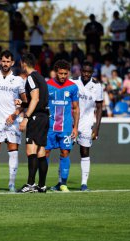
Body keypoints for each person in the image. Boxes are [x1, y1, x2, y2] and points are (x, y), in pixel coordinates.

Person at [0, 50, 26, 192]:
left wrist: (15, 114)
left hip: (12, 122)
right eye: (3, 61)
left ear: (12, 63)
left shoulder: (18, 80)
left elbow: (25, 102)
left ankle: (11, 184)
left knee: (13, 153)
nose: (5, 64)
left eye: (8, 61)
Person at [17, 53, 49, 193]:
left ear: (24, 63)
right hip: (44, 116)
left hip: (35, 117)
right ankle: (41, 185)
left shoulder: (30, 78)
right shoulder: (40, 77)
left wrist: (26, 117)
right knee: (41, 151)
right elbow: (37, 99)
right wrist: (24, 103)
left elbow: (35, 99)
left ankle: (30, 184)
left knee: (31, 150)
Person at [47, 60, 80, 192]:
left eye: (65, 73)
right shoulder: (47, 85)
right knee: (45, 153)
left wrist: (75, 127)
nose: (63, 76)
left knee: (65, 152)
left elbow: (76, 108)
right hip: (50, 126)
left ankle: (63, 183)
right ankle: (42, 182)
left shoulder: (73, 87)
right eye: (60, 73)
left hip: (65, 127)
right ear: (56, 72)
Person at [70, 61, 103, 191]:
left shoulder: (97, 86)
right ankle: (61, 182)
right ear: (81, 70)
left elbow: (99, 108)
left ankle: (84, 183)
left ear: (92, 73)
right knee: (65, 151)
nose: (86, 74)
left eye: (89, 72)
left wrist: (97, 128)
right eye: (84, 71)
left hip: (86, 123)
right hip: (71, 122)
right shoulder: (73, 82)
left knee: (84, 152)